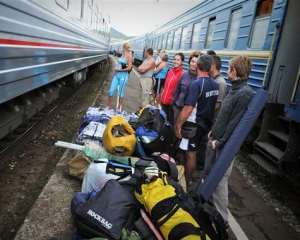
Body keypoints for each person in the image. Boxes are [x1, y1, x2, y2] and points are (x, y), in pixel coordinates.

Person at [206, 55, 253, 226]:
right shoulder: (235, 89)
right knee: (211, 177)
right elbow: (225, 116)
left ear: (235, 70)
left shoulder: (244, 93)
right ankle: (210, 210)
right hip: (216, 139)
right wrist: (214, 131)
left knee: (219, 181)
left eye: (229, 68)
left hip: (223, 145)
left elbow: (235, 123)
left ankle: (221, 220)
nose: (227, 71)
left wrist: (220, 142)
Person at [174, 54, 219, 185]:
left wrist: (178, 125)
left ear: (198, 65)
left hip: (192, 124)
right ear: (210, 67)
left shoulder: (197, 84)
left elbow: (188, 108)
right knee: (188, 150)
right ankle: (182, 178)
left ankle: (184, 183)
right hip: (204, 124)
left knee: (190, 154)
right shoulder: (215, 84)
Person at [196, 54, 228, 170]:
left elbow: (217, 106)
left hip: (211, 121)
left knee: (205, 145)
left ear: (212, 66)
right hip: (207, 119)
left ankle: (201, 168)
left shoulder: (220, 83)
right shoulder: (214, 81)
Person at [172, 50, 201, 124]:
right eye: (192, 61)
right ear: (189, 63)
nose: (194, 64)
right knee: (174, 128)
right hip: (178, 108)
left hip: (190, 113)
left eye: (197, 62)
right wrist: (174, 104)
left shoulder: (200, 79)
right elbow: (177, 90)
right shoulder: (184, 75)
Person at [107, 42, 133, 112]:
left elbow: (129, 68)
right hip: (117, 75)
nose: (122, 49)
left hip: (123, 77)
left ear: (124, 47)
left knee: (121, 93)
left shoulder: (129, 56)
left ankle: (118, 108)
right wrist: (116, 67)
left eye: (123, 47)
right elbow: (119, 63)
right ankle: (109, 106)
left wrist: (120, 70)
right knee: (111, 91)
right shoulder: (123, 55)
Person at [160, 52, 185, 126]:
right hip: (164, 101)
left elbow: (181, 91)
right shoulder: (170, 71)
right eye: (175, 59)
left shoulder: (182, 74)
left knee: (170, 124)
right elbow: (165, 86)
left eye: (178, 60)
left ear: (182, 62)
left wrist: (173, 102)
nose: (176, 61)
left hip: (172, 105)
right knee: (163, 122)